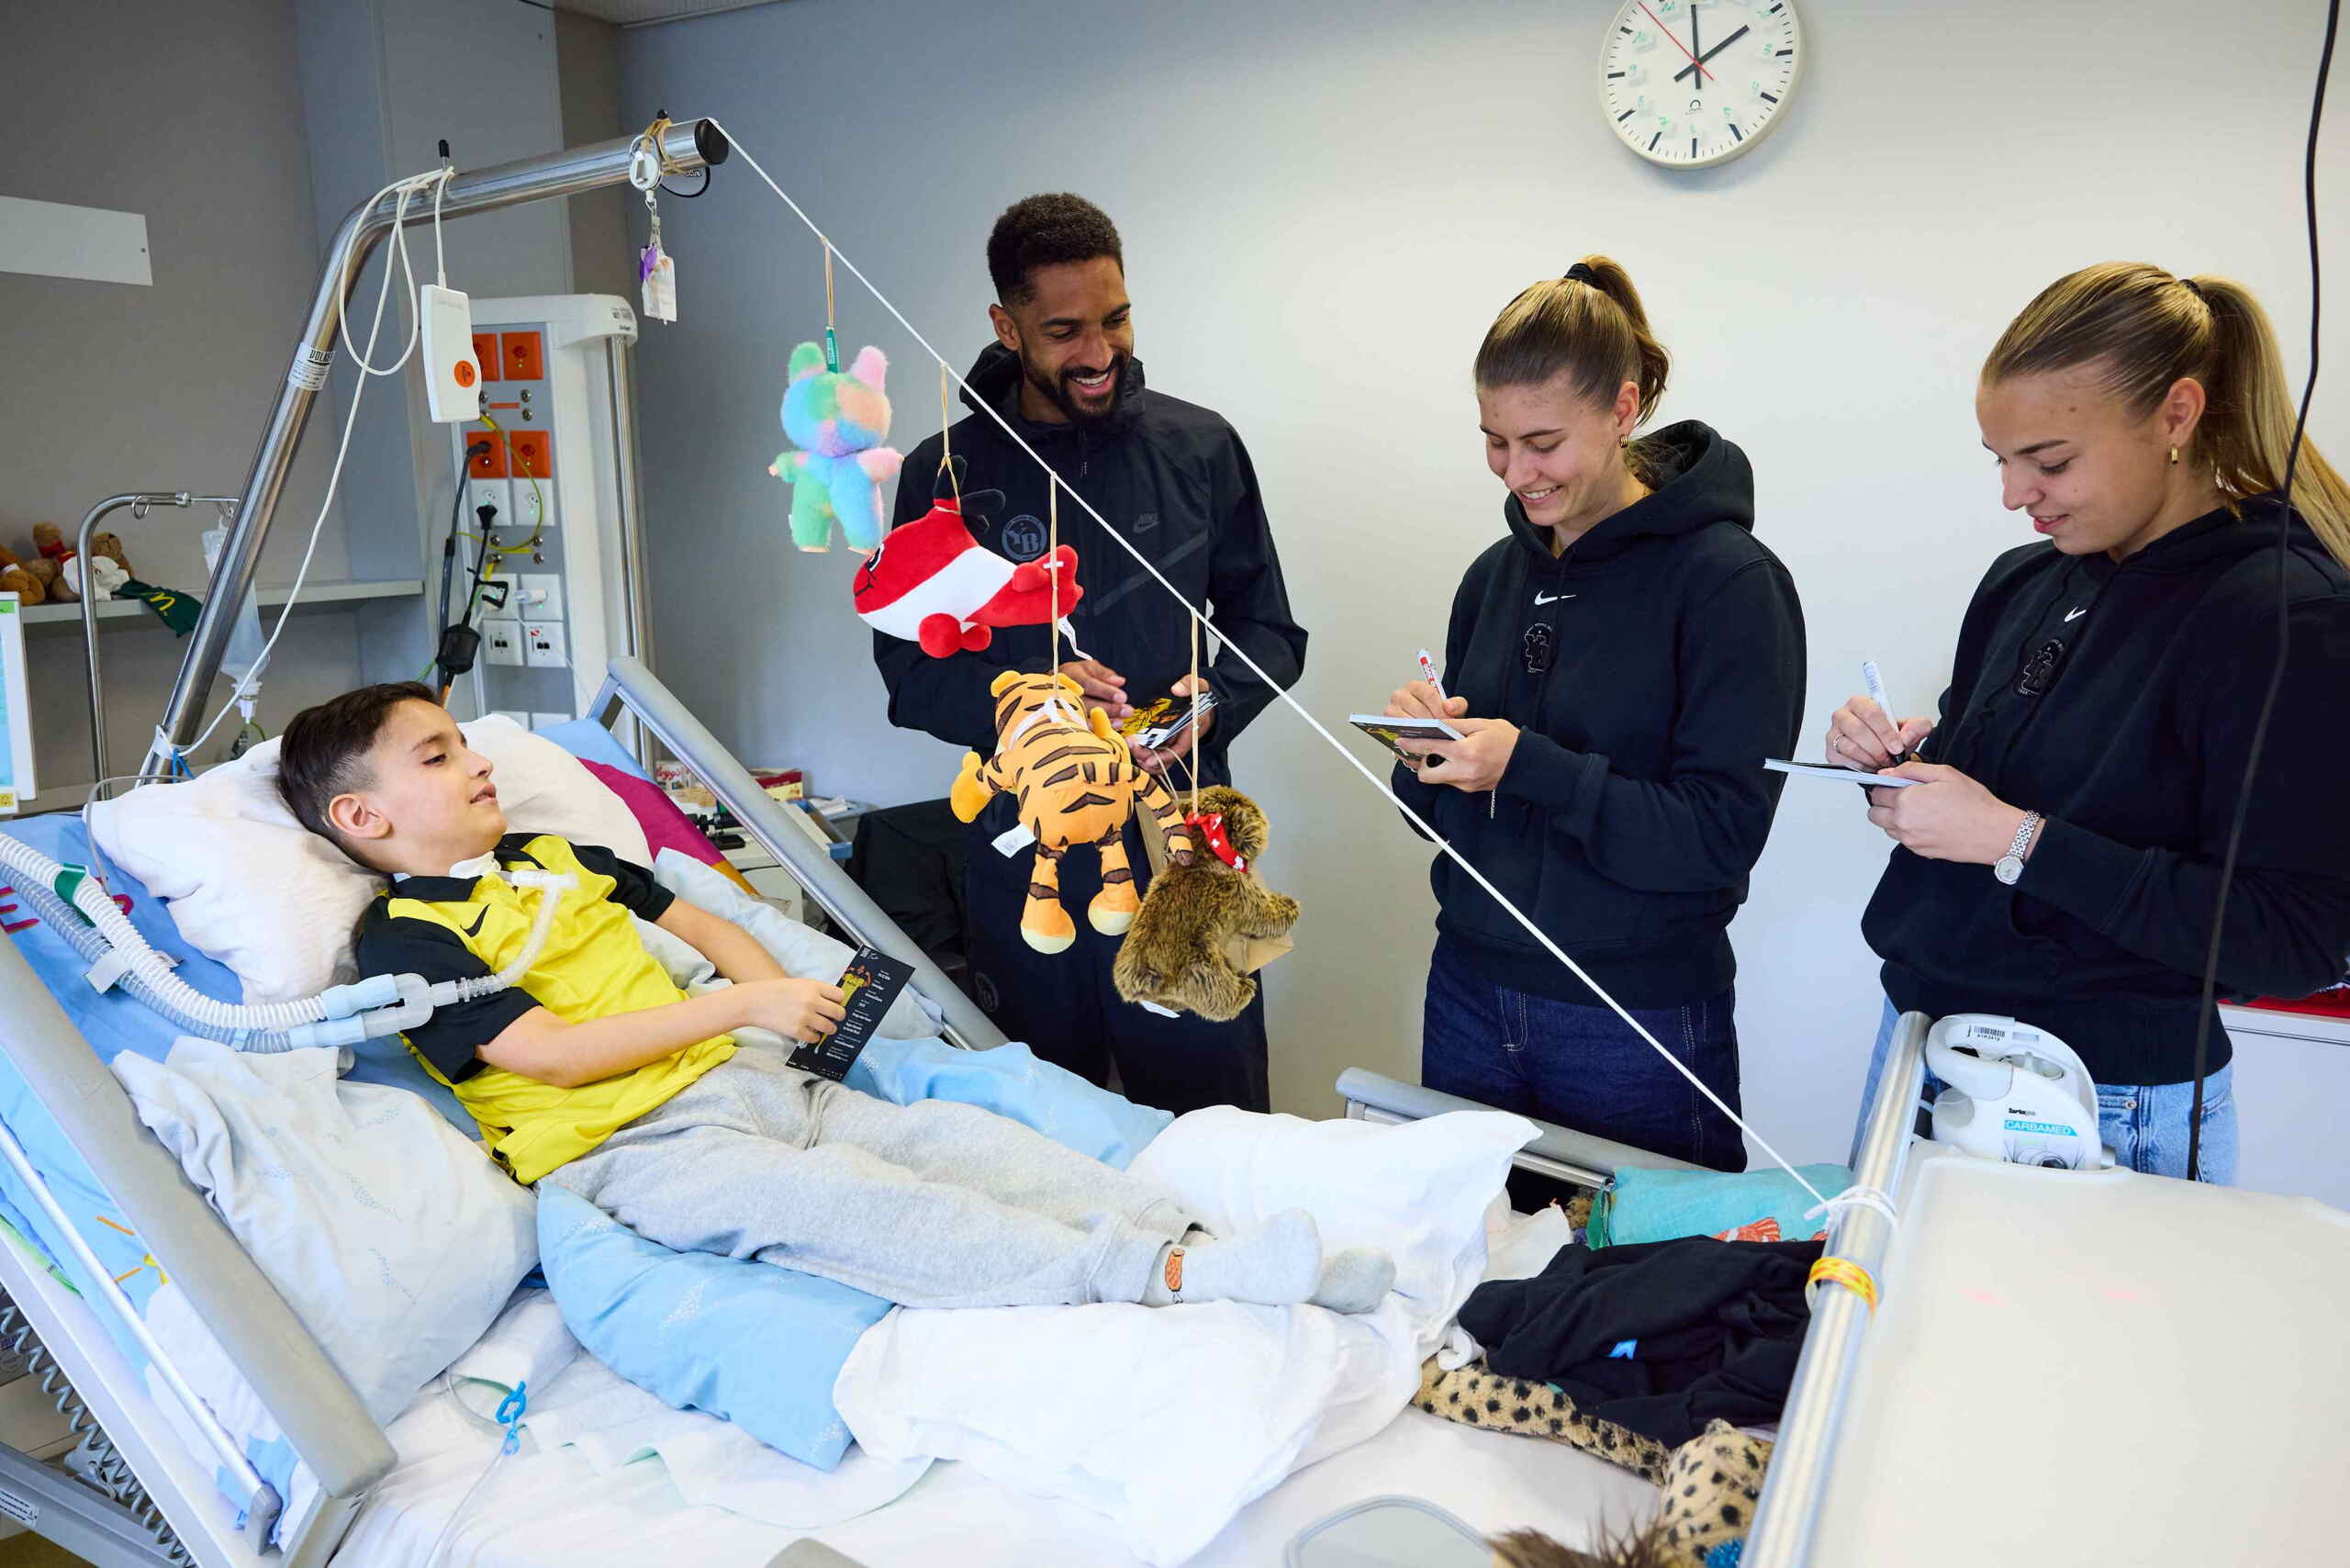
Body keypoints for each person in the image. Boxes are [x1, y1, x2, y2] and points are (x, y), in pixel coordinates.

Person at [275, 683, 1392, 1312]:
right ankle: (1177, 1279)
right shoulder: (403, 939)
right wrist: (737, 1010)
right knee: (883, 1211)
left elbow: (703, 923)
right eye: (436, 757)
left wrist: (783, 1005)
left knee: (973, 1146)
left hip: (754, 1083)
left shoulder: (553, 855)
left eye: (466, 743)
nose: (477, 762)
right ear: (362, 819)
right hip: (639, 1146)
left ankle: (1208, 1241)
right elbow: (551, 1054)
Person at [1833, 262, 2350, 1183]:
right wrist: (1902, 771)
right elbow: (2008, 803)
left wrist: (2015, 840)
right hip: (1922, 1044)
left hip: (2096, 1094)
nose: (2014, 494)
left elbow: (2294, 938)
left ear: (2176, 416)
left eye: (2050, 462)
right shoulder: (2025, 582)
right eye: (1999, 460)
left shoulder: (2281, 614)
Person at [873, 193, 1306, 1115]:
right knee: (1046, 1129)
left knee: (1215, 1123)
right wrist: (1026, 697)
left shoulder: (1200, 447)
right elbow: (910, 678)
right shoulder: (945, 476)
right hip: (1026, 850)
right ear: (1007, 326)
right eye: (1065, 331)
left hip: (1182, 837)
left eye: (1115, 319)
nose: (1100, 352)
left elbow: (1271, 631)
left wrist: (1213, 698)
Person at [1385, 258, 1806, 1170]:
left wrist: (1525, 764)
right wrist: (1422, 753)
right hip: (1468, 992)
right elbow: (1436, 819)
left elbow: (1720, 837)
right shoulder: (1493, 578)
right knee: (1469, 1255)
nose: (1516, 472)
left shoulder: (1729, 583)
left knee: (1645, 1263)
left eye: (1543, 442)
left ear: (1623, 409)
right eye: (1495, 441)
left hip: (1632, 1021)